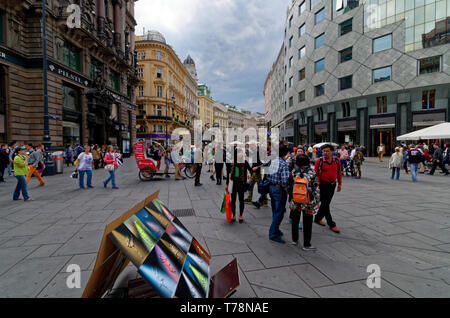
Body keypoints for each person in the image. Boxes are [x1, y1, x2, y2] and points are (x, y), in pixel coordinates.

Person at [289, 154, 320, 250]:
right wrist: (318, 201)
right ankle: (307, 244)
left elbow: (290, 185)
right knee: (307, 222)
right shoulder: (312, 173)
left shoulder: (294, 172)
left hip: (295, 201)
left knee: (295, 221)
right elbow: (316, 188)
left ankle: (294, 240)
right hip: (308, 202)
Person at [314, 144, 341, 234]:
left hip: (332, 185)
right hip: (322, 185)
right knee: (325, 205)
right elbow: (315, 173)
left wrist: (340, 184)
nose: (325, 153)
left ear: (332, 151)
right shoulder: (319, 161)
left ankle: (317, 218)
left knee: (326, 203)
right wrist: (318, 184)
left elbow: (339, 172)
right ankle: (331, 224)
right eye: (324, 151)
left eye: (327, 151)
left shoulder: (337, 160)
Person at [266, 145, 290, 243]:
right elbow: (285, 181)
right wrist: (287, 189)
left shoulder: (273, 161)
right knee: (279, 211)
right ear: (285, 154)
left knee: (275, 210)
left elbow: (267, 174)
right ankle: (273, 233)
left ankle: (276, 229)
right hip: (279, 189)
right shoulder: (283, 164)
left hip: (271, 187)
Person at [226, 148, 252, 223]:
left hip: (241, 184)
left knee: (241, 200)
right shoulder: (232, 163)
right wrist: (227, 184)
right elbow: (229, 174)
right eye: (238, 153)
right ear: (235, 154)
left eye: (241, 153)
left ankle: (240, 215)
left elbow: (250, 169)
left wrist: (250, 174)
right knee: (233, 200)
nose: (240, 154)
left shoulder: (245, 162)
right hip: (233, 184)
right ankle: (233, 215)